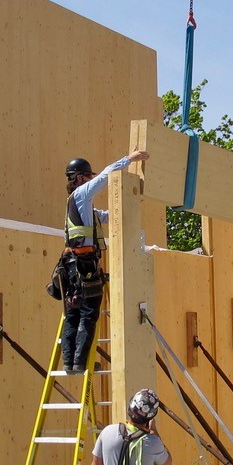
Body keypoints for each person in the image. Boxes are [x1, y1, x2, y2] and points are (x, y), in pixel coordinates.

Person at [59, 149, 149, 373]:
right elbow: (107, 175)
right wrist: (131, 159)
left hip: (72, 266)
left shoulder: (79, 205)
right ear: (80, 177)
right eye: (88, 177)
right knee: (88, 312)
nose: (91, 180)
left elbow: (106, 217)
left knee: (73, 313)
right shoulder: (81, 195)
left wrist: (131, 201)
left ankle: (71, 363)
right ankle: (80, 362)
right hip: (84, 264)